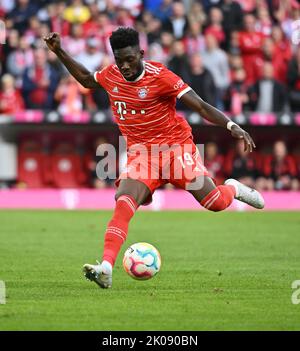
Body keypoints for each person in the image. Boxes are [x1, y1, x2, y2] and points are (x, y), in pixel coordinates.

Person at [44, 27, 264, 289]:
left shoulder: (162, 77)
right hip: (142, 155)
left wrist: (232, 126)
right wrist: (59, 51)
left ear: (141, 53)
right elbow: (85, 79)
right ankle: (105, 267)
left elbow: (202, 106)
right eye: (119, 59)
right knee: (123, 202)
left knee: (214, 202)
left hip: (175, 150)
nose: (124, 66)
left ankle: (232, 188)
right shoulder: (111, 75)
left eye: (129, 59)